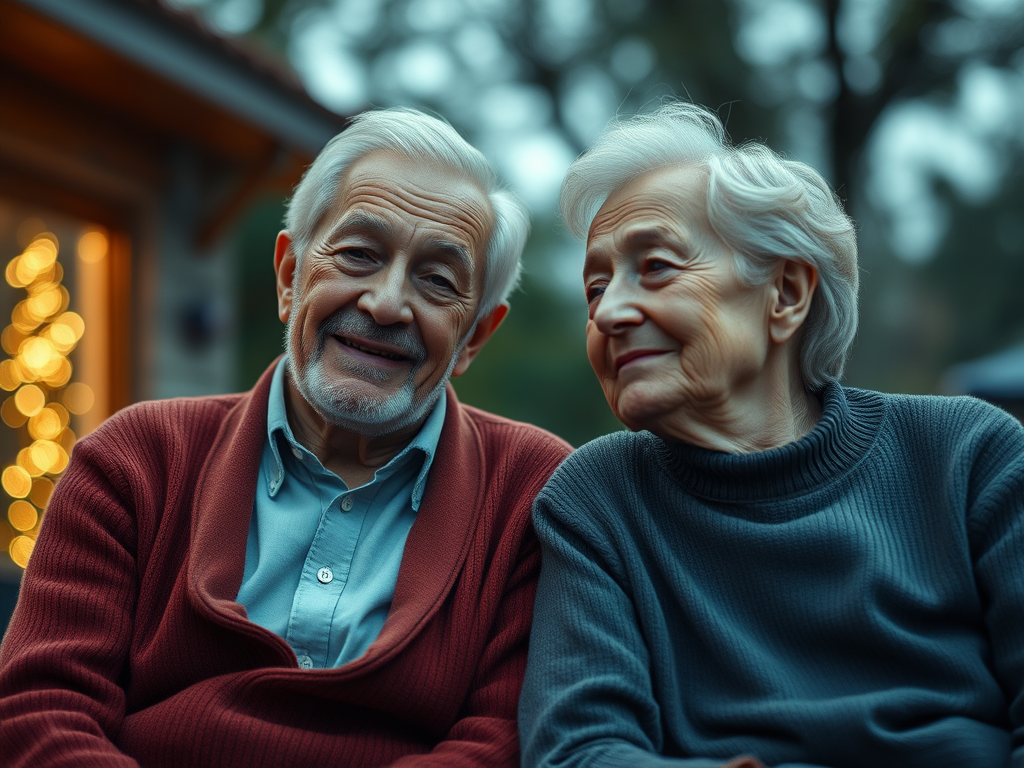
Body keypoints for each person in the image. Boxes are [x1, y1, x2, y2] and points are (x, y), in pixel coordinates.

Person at [0, 107, 571, 767]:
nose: (386, 304)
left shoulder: (533, 493)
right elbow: (41, 712)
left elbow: (501, 741)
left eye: (436, 281)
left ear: (475, 337)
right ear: (288, 277)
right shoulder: (135, 459)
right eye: (358, 254)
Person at [519, 102, 1024, 767]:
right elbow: (578, 753)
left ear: (785, 294)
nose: (609, 311)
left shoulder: (968, 455)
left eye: (657, 267)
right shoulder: (598, 500)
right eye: (593, 289)